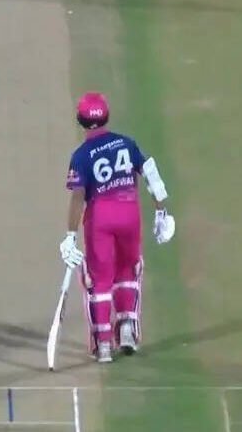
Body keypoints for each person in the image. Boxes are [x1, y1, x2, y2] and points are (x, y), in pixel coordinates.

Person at [58, 91, 176, 363]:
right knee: (128, 270)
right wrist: (161, 212)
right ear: (107, 116)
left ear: (80, 120)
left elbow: (77, 197)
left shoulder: (81, 155)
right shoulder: (127, 143)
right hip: (129, 212)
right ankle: (126, 331)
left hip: (100, 217)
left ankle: (103, 345)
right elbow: (151, 174)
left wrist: (70, 236)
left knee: (99, 279)